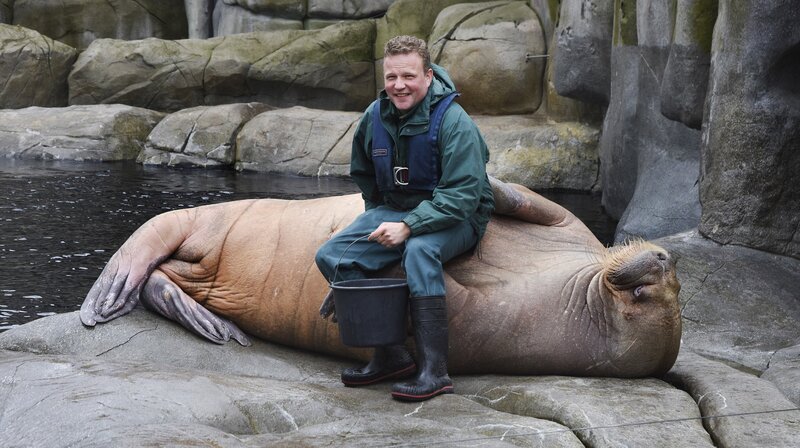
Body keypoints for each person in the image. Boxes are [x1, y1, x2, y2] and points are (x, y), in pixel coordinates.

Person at [314, 35, 494, 402]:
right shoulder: (374, 116)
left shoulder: (455, 122)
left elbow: (462, 196)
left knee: (419, 251)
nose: (399, 85)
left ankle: (434, 371)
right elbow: (365, 176)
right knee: (332, 255)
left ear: (428, 76)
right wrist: (377, 220)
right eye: (392, 77)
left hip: (456, 215)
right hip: (396, 207)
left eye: (409, 76)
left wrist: (409, 227)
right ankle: (390, 355)